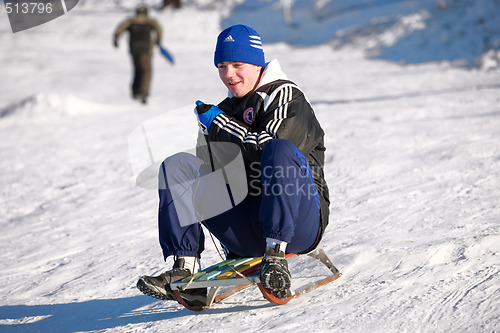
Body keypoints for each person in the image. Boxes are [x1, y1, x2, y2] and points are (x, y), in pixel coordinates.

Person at [137, 24, 330, 305]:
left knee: (278, 150)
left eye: (237, 64)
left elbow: (269, 149)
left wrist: (220, 125)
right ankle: (185, 269)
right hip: (248, 226)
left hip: (300, 222)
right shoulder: (223, 111)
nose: (228, 74)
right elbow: (211, 176)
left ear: (256, 64)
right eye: (222, 66)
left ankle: (275, 258)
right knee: (177, 167)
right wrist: (211, 135)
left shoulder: (285, 96)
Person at [113, 5, 162, 104]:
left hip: (134, 50)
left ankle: (135, 92)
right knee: (146, 72)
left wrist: (116, 38)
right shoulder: (150, 21)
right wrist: (158, 41)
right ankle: (143, 94)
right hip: (146, 50)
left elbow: (120, 28)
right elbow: (159, 30)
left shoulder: (131, 21)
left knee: (137, 70)